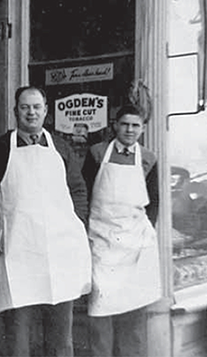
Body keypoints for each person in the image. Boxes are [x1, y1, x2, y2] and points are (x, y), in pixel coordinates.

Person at [0, 86, 91, 356]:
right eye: (25, 107)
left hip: (58, 250)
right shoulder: (0, 148)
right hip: (20, 249)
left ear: (45, 111)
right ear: (16, 111)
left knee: (60, 335)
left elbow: (77, 189)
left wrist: (79, 224)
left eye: (36, 107)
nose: (31, 112)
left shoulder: (61, 147)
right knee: (18, 333)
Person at [81, 104, 161, 357]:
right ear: (115, 125)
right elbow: (84, 193)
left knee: (134, 309)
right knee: (100, 308)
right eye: (125, 124)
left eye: (135, 125)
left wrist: (144, 234)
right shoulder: (97, 153)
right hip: (102, 241)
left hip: (134, 242)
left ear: (143, 129)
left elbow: (154, 201)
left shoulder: (148, 158)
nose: (129, 130)